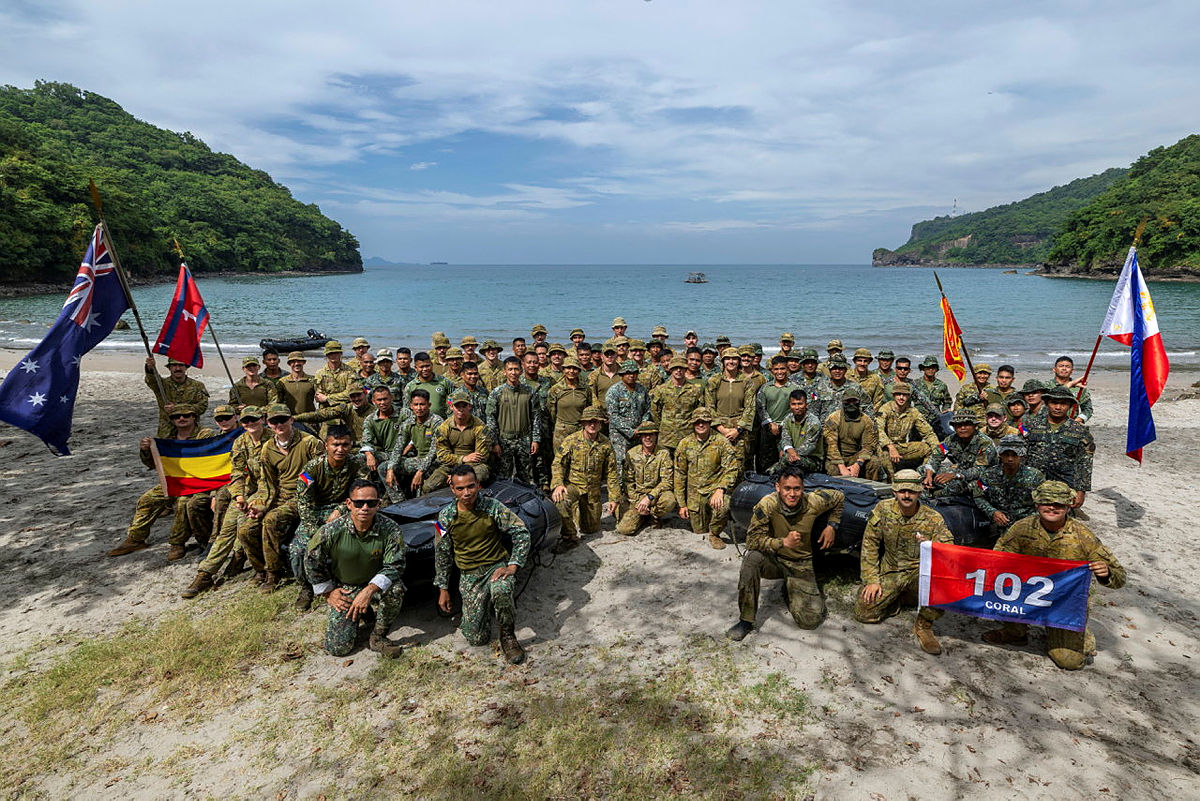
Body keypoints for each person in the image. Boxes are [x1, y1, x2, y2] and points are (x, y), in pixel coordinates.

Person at [983, 480, 1125, 670]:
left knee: (1070, 662)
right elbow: (997, 559)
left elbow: (1119, 577)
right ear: (1036, 504)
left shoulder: (1083, 536)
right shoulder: (1021, 528)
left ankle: (1077, 634)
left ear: (1068, 507)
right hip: (1025, 596)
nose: (1051, 507)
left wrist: (1105, 574)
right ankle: (1014, 632)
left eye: (1058, 504)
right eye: (1046, 502)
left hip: (1063, 605)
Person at [726, 463, 843, 640]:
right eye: (787, 488)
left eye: (797, 489)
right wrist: (783, 543)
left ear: (803, 488)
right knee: (751, 560)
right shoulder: (767, 505)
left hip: (800, 564)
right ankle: (746, 620)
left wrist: (832, 526)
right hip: (774, 560)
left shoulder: (813, 501)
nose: (792, 494)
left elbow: (839, 497)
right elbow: (752, 541)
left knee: (810, 621)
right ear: (778, 487)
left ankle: (789, 589)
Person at [435, 465, 531, 664]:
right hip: (470, 574)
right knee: (477, 638)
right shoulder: (445, 517)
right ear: (452, 489)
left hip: (496, 567)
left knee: (502, 590)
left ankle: (508, 636)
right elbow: (441, 553)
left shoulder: (492, 507)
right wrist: (443, 588)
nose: (466, 493)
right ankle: (483, 607)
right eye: (460, 488)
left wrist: (513, 565)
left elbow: (521, 532)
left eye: (471, 486)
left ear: (478, 485)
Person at [853, 470, 954, 654]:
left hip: (919, 573)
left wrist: (931, 545)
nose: (906, 496)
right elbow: (870, 545)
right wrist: (871, 580)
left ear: (920, 492)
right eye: (902, 491)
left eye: (911, 491)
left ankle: (923, 625)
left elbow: (949, 548)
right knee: (864, 612)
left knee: (942, 586)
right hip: (891, 571)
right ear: (894, 491)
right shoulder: (883, 510)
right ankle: (900, 599)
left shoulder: (933, 518)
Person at [306, 480, 407, 658]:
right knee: (338, 649)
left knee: (396, 588)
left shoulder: (390, 529)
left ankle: (378, 636)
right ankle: (363, 614)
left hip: (374, 585)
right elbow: (311, 560)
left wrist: (369, 591)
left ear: (379, 504)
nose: (365, 508)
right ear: (349, 504)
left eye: (371, 503)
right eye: (359, 503)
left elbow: (395, 565)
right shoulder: (331, 531)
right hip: (346, 587)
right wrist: (328, 593)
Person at [108, 403, 215, 559]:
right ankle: (136, 538)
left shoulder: (205, 434)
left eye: (186, 415)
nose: (181, 419)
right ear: (172, 420)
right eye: (176, 416)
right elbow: (152, 465)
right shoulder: (167, 439)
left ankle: (177, 543)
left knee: (182, 503)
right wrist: (146, 451)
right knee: (147, 499)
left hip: (198, 481)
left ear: (194, 417)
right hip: (174, 481)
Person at [182, 404, 266, 597]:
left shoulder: (272, 440)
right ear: (242, 423)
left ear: (262, 419)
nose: (250, 423)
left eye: (254, 419)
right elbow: (236, 472)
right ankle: (205, 574)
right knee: (226, 529)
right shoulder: (240, 442)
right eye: (246, 420)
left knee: (243, 525)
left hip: (268, 493)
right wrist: (238, 496)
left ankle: (244, 560)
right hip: (248, 492)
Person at [239, 403, 324, 591]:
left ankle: (273, 573)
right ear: (268, 424)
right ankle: (260, 569)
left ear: (291, 420)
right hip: (279, 496)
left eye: (282, 420)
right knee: (246, 530)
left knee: (271, 520)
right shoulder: (268, 448)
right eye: (274, 421)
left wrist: (303, 482)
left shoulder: (309, 442)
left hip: (304, 495)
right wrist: (260, 505)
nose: (279, 425)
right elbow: (267, 482)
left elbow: (320, 472)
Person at [291, 425, 371, 611]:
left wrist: (341, 509)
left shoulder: (357, 464)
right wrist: (314, 531)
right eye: (335, 444)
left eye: (345, 445)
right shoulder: (312, 468)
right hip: (315, 513)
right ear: (326, 445)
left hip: (347, 510)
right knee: (298, 550)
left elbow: (362, 493)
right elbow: (304, 503)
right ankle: (306, 588)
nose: (340, 449)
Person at [550, 405, 620, 552]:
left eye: (596, 422)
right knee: (560, 500)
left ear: (601, 424)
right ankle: (569, 537)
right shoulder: (571, 440)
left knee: (591, 529)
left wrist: (614, 498)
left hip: (593, 491)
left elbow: (612, 473)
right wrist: (558, 484)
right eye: (589, 422)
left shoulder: (606, 444)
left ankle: (579, 511)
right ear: (582, 423)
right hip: (574, 486)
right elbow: (558, 464)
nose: (592, 425)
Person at [674, 406, 739, 550]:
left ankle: (715, 534)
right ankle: (707, 524)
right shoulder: (684, 444)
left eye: (704, 421)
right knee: (699, 530)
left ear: (710, 423)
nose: (701, 424)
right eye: (697, 422)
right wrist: (682, 504)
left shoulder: (721, 442)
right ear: (693, 424)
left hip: (713, 491)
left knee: (725, 505)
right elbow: (679, 475)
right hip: (694, 495)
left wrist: (721, 489)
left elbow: (732, 468)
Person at [1024, 385, 1095, 512]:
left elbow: (1084, 464)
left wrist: (1081, 491)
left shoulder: (1080, 431)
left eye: (1063, 403)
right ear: (1047, 403)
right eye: (1054, 402)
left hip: (1064, 485)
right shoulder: (1031, 425)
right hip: (1033, 483)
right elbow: (1022, 454)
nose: (1058, 407)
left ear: (1070, 406)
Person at [971, 435, 1044, 537]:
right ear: (1000, 455)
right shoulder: (988, 474)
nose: (1010, 459)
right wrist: (992, 512)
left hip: (1027, 526)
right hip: (998, 525)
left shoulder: (1035, 476)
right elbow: (979, 496)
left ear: (1021, 455)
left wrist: (1031, 521)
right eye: (1006, 454)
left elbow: (1043, 503)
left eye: (1014, 455)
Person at [486, 357, 542, 485]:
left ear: (521, 371)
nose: (513, 372)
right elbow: (490, 419)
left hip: (524, 439)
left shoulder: (529, 392)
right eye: (510, 369)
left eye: (516, 369)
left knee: (526, 477)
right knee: (503, 477)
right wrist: (495, 443)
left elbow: (535, 417)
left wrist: (535, 439)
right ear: (504, 372)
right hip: (504, 440)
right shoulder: (496, 393)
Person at [616, 421, 677, 536]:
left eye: (651, 434)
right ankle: (641, 514)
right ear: (640, 437)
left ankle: (653, 515)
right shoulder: (632, 454)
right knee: (624, 530)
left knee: (669, 500)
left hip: (655, 496)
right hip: (636, 496)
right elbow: (627, 482)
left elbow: (667, 482)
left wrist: (649, 497)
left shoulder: (663, 453)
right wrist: (638, 502)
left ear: (656, 436)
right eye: (644, 435)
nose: (648, 437)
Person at [425, 390, 492, 491]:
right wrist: (462, 459)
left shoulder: (480, 427)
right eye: (457, 406)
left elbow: (480, 456)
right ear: (451, 407)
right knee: (428, 487)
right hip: (450, 466)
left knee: (478, 476)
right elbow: (442, 455)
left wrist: (457, 476)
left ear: (469, 407)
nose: (461, 410)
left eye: (464, 406)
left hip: (475, 466)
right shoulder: (444, 427)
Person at [923, 410, 997, 497]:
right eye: (958, 425)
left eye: (967, 424)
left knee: (957, 486)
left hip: (985, 478)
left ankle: (934, 495)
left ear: (974, 426)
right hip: (961, 471)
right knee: (922, 470)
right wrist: (929, 475)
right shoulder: (951, 440)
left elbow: (979, 471)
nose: (962, 428)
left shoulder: (985, 443)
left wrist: (955, 475)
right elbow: (936, 457)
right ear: (954, 427)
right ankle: (929, 488)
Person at [705, 347, 756, 471]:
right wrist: (721, 429)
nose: (731, 362)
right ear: (722, 361)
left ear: (738, 361)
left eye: (734, 359)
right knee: (716, 463)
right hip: (718, 428)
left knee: (739, 465)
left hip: (739, 429)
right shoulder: (714, 380)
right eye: (727, 359)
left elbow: (750, 407)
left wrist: (738, 429)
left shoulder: (746, 381)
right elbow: (709, 406)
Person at [875, 382, 939, 479]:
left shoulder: (913, 412)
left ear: (908, 396)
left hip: (902, 446)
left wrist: (940, 449)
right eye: (898, 394)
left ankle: (923, 478)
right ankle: (892, 482)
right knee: (883, 454)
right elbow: (878, 430)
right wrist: (890, 447)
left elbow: (928, 433)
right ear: (893, 395)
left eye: (904, 395)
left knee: (927, 448)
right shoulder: (885, 409)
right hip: (886, 447)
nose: (901, 397)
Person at [386, 389, 443, 497]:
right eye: (416, 404)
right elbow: (398, 447)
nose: (419, 408)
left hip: (436, 462)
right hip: (418, 459)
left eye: (422, 404)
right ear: (411, 406)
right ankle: (398, 501)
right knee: (384, 467)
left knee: (422, 486)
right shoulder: (408, 423)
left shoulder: (437, 421)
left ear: (429, 405)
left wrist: (420, 471)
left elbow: (434, 451)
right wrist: (390, 468)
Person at [605, 360, 651, 481]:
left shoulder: (642, 390)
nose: (631, 375)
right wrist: (630, 431)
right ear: (622, 375)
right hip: (620, 435)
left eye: (634, 373)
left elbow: (647, 410)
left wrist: (642, 428)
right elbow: (613, 415)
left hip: (639, 433)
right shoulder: (614, 391)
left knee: (638, 463)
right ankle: (620, 493)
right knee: (621, 464)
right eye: (628, 373)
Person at [144, 355, 210, 437]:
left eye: (181, 365)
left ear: (186, 367)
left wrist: (176, 408)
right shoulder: (162, 385)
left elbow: (202, 406)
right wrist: (150, 368)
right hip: (167, 430)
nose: (178, 368)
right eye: (174, 365)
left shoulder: (197, 386)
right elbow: (152, 380)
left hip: (191, 431)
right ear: (169, 368)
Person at [649, 355, 704, 453]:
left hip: (687, 436)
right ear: (670, 370)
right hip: (666, 438)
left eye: (681, 368)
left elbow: (698, 412)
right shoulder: (661, 389)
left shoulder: (694, 390)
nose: (678, 371)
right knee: (665, 466)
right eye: (675, 368)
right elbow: (655, 411)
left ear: (686, 369)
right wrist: (663, 426)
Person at [822, 385, 879, 479]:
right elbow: (831, 446)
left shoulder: (866, 421)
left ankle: (872, 490)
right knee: (834, 470)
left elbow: (868, 446)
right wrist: (841, 467)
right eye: (848, 401)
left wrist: (858, 464)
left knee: (874, 462)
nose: (851, 404)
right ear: (843, 402)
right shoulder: (833, 419)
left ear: (859, 402)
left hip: (855, 456)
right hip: (836, 458)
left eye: (854, 401)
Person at [294, 382, 372, 444]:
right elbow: (320, 415)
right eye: (353, 396)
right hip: (351, 447)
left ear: (365, 394)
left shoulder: (376, 412)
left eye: (359, 395)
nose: (356, 399)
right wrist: (294, 418)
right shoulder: (347, 409)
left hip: (372, 448)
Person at [756, 356, 795, 474]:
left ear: (787, 369)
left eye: (782, 369)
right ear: (772, 370)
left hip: (787, 429)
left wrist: (783, 424)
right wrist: (770, 423)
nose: (779, 372)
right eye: (776, 369)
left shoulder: (794, 388)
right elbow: (760, 407)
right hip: (768, 430)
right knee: (765, 462)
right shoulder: (765, 388)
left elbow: (795, 409)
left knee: (786, 460)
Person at [546, 356, 590, 453]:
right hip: (561, 430)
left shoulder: (585, 389)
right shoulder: (556, 389)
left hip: (580, 429)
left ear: (579, 371)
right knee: (560, 459)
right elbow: (551, 412)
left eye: (574, 368)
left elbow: (588, 408)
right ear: (563, 369)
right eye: (568, 368)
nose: (571, 371)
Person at [778, 390, 824, 474]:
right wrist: (789, 451)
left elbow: (808, 447)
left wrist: (790, 454)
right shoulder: (788, 419)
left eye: (800, 404)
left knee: (784, 462)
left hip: (812, 460)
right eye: (793, 404)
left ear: (806, 405)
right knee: (772, 471)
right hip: (792, 456)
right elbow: (785, 438)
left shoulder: (814, 422)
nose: (797, 407)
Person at [404, 351, 454, 419]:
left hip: (441, 423)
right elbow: (406, 408)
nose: (425, 369)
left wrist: (449, 406)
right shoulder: (410, 386)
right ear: (416, 368)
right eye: (421, 367)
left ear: (431, 365)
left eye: (427, 366)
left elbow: (452, 398)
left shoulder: (444, 382)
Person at [1049, 356, 1094, 423]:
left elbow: (1088, 409)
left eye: (1067, 367)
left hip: (1071, 424)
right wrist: (1070, 384)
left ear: (1072, 370)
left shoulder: (1079, 389)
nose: (1064, 368)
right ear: (1054, 369)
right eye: (1061, 366)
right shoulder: (1046, 386)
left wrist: (1078, 420)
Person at [314, 340, 354, 409]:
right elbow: (319, 397)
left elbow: (350, 394)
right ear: (326, 355)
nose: (333, 355)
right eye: (330, 353)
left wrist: (327, 398)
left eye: (336, 353)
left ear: (340, 354)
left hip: (345, 410)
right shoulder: (320, 373)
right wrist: (340, 397)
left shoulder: (350, 371)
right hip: (326, 410)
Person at [587, 343, 622, 408]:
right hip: (602, 413)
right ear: (602, 356)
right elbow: (592, 396)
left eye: (612, 354)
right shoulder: (594, 375)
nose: (609, 356)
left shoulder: (624, 373)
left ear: (617, 355)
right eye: (607, 354)